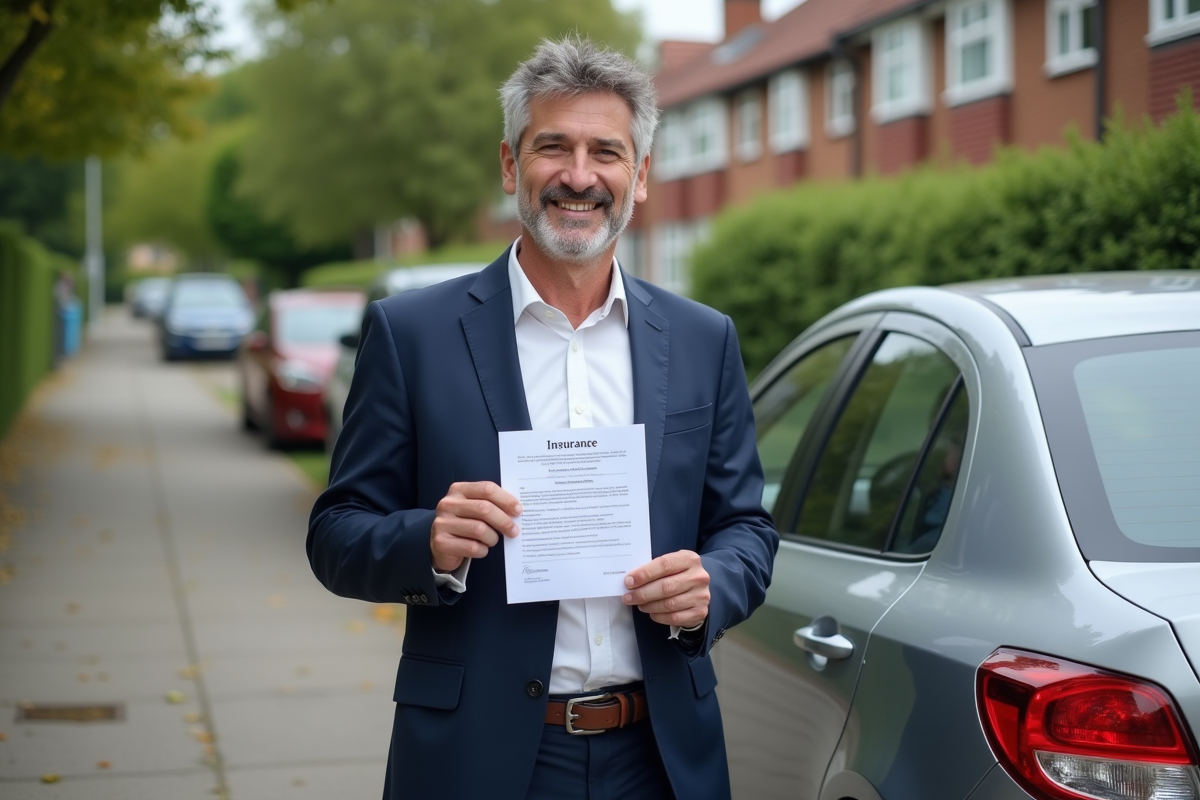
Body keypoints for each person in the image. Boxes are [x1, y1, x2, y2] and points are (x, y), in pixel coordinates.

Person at [308, 35, 777, 800]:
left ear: (642, 174)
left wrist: (713, 587)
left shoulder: (702, 338)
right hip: (478, 757)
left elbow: (747, 529)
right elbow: (335, 533)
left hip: (659, 757)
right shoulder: (412, 335)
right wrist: (425, 539)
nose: (579, 176)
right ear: (509, 166)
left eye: (606, 152)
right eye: (552, 147)